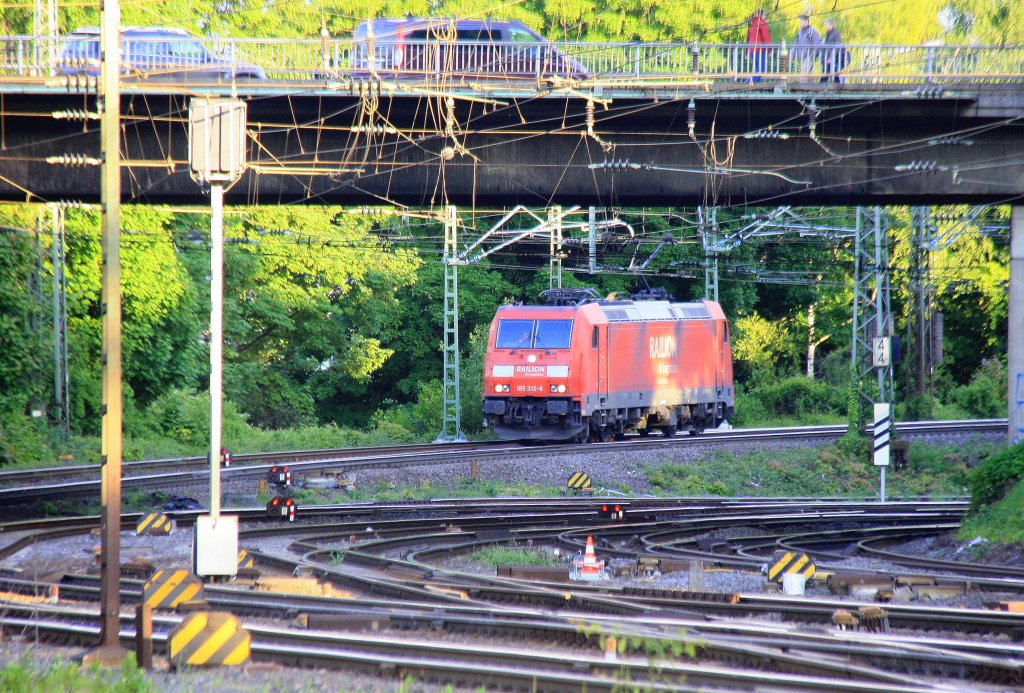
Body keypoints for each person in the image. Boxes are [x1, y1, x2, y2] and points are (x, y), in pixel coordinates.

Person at [746, 9, 771, 83]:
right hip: (759, 50)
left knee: (757, 68)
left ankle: (751, 82)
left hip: (752, 50)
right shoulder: (762, 24)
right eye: (764, 15)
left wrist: (746, 52)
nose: (765, 17)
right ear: (762, 15)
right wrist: (769, 50)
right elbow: (766, 38)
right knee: (761, 69)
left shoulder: (752, 24)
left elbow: (748, 39)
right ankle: (748, 83)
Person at [820, 18, 846, 83]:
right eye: (825, 25)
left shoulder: (836, 34)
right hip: (827, 57)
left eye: (826, 25)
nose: (825, 27)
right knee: (828, 72)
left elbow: (837, 46)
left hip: (833, 58)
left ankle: (822, 85)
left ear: (831, 25)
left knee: (830, 73)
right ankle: (824, 84)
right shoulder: (828, 34)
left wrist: (831, 57)